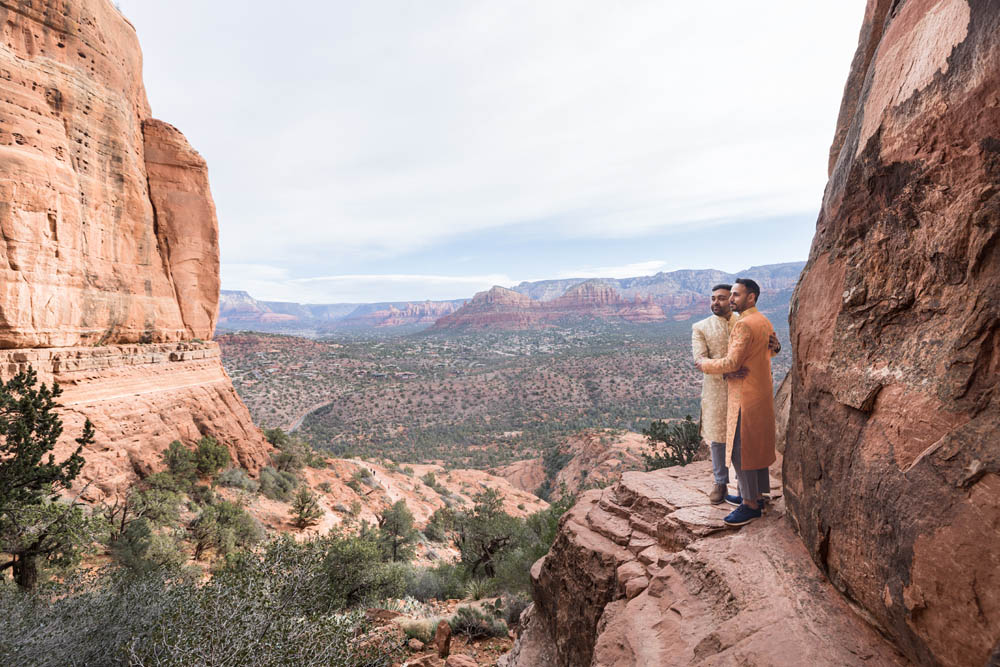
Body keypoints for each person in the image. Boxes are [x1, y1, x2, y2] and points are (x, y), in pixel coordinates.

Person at [696, 278, 778, 527]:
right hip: (761, 392)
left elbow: (732, 363)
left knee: (742, 450)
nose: (730, 300)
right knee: (756, 445)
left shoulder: (742, 325)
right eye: (728, 296)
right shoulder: (764, 320)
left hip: (744, 394)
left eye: (735, 295)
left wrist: (704, 364)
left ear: (750, 297)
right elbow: (766, 350)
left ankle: (750, 504)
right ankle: (756, 494)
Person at [691, 284, 741, 504]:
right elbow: (700, 361)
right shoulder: (701, 327)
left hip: (745, 389)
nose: (715, 303)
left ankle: (746, 488)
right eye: (712, 298)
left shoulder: (745, 322)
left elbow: (767, 350)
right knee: (719, 439)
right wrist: (729, 367)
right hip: (716, 392)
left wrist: (774, 347)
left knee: (743, 437)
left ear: (732, 300)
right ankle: (720, 483)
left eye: (721, 298)